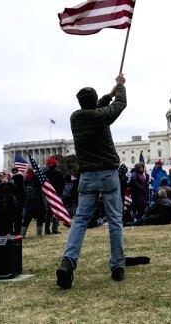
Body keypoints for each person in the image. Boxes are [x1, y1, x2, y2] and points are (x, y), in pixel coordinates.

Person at [56, 73, 127, 290]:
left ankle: (68, 262)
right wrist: (120, 87)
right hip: (107, 174)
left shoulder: (75, 118)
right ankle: (117, 265)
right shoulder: (101, 117)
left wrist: (109, 94)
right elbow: (120, 105)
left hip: (86, 176)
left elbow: (98, 107)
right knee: (114, 219)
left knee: (80, 221)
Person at [20, 168, 47, 238]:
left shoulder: (31, 179)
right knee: (34, 218)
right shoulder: (29, 180)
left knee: (31, 219)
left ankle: (25, 234)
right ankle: (36, 234)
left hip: (34, 202)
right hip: (34, 202)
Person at [43, 156, 64, 235]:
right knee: (56, 212)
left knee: (48, 212)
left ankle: (46, 230)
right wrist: (60, 193)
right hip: (56, 194)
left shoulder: (45, 173)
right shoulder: (59, 172)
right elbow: (62, 184)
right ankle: (54, 229)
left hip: (48, 194)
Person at [0, 171, 18, 236]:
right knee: (0, 222)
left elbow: (15, 189)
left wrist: (8, 182)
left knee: (9, 220)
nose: (2, 177)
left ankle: (9, 233)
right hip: (0, 205)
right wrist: (2, 184)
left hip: (9, 204)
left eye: (3, 176)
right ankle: (0, 234)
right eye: (0, 176)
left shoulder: (10, 182)